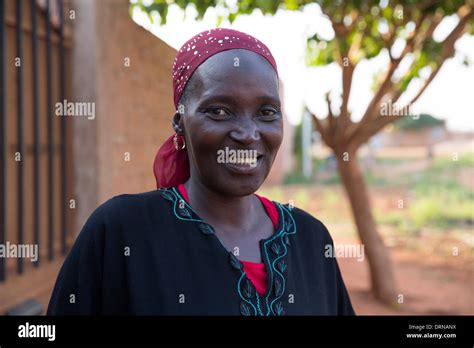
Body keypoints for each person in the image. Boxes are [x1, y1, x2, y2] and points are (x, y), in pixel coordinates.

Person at [47, 28, 355, 316]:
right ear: (179, 122)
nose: (248, 133)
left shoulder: (311, 239)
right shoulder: (120, 232)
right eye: (219, 111)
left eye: (266, 112)